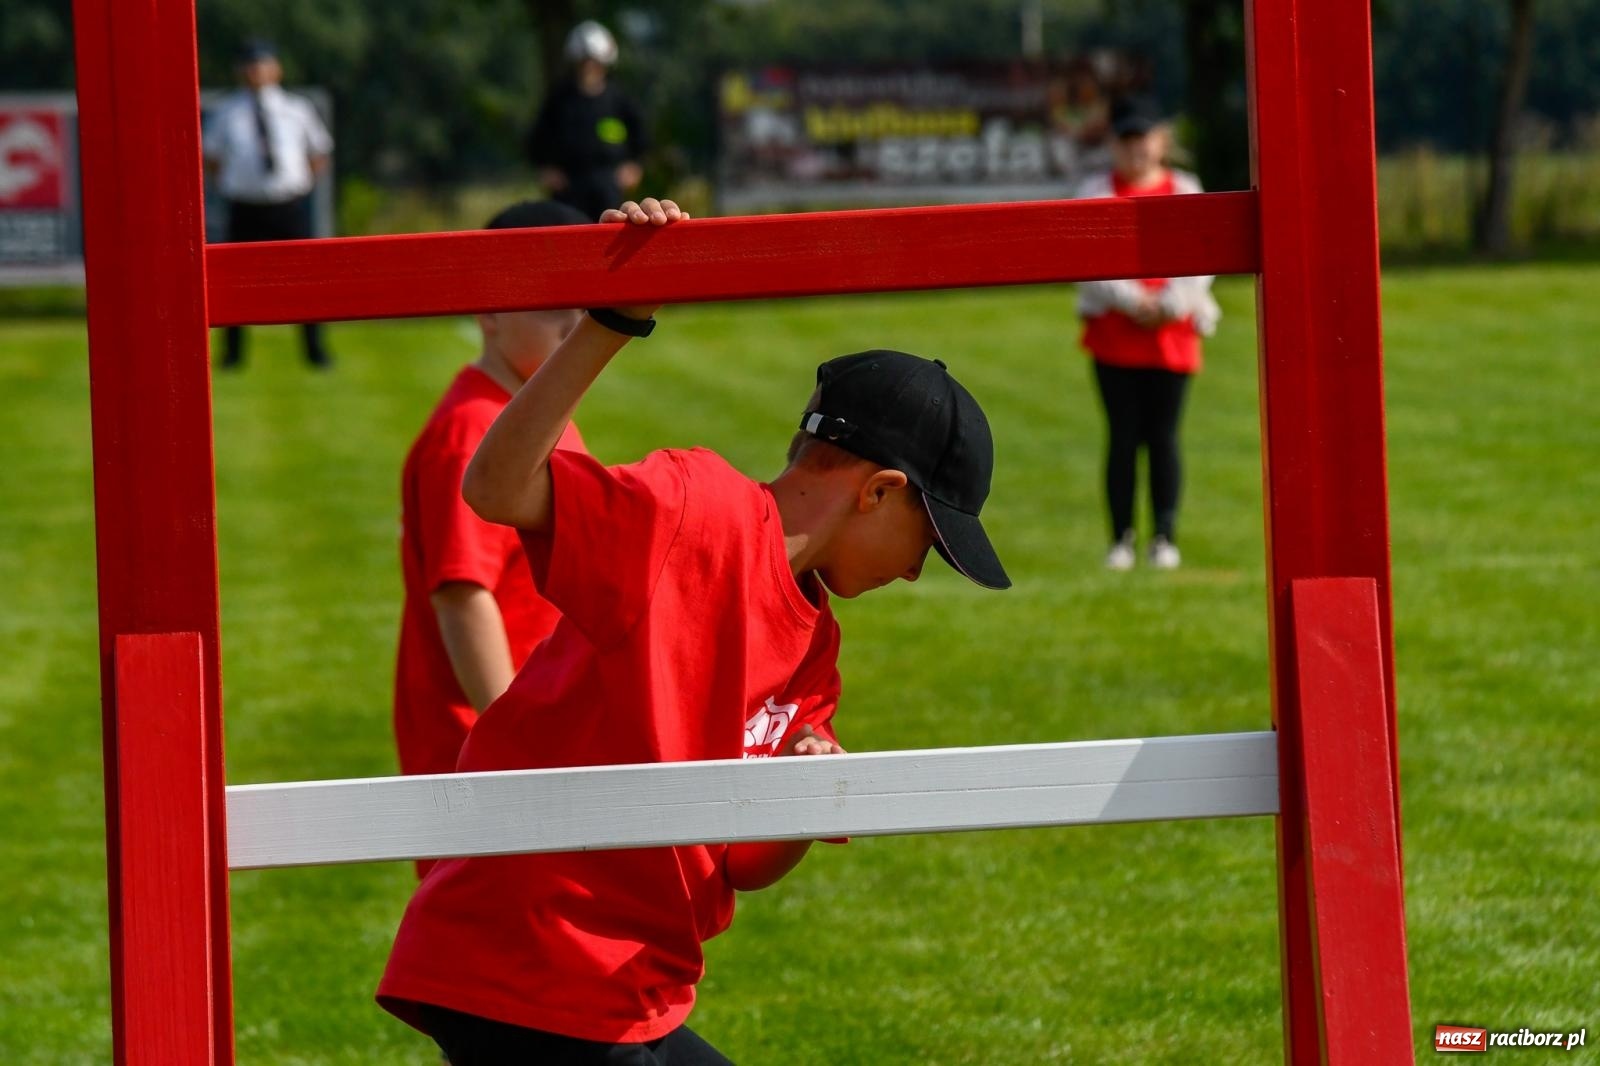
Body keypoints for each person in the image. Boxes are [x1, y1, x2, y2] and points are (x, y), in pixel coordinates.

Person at [377, 199, 1011, 1065]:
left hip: (629, 988)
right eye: (927, 543)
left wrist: (800, 802)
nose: (913, 571)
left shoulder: (815, 646)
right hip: (533, 955)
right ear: (879, 491)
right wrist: (610, 323)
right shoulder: (693, 511)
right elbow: (495, 487)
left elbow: (742, 861)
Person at [393, 199, 593, 878]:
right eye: (550, 301)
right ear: (488, 312)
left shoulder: (539, 417)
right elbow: (462, 594)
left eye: (586, 298)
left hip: (541, 733)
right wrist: (515, 739)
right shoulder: (472, 431)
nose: (574, 319)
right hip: (488, 753)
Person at [1072, 95, 1220, 571]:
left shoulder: (1184, 189)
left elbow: (1203, 253)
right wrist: (1134, 301)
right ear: (1114, 144)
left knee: (1164, 436)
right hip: (1116, 333)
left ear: (1161, 141)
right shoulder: (1096, 192)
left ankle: (1164, 536)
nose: (1136, 149)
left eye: (1144, 139)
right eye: (1127, 140)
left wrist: (1172, 304)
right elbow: (1087, 257)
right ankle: (1120, 538)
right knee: (1121, 435)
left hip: (1172, 335)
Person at [203, 38, 334, 369]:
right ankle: (232, 355)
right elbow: (212, 157)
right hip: (245, 206)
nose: (256, 71)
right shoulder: (225, 112)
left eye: (262, 63)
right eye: (250, 64)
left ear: (276, 69)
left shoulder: (297, 108)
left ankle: (315, 350)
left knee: (306, 281)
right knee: (233, 284)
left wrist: (299, 184)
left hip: (288, 205)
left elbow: (318, 153)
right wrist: (234, 185)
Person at [524, 21, 650, 221]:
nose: (589, 67)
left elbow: (641, 136)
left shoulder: (618, 99)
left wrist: (634, 166)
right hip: (569, 186)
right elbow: (537, 139)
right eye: (584, 61)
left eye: (595, 62)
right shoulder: (560, 99)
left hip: (609, 184)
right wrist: (546, 169)